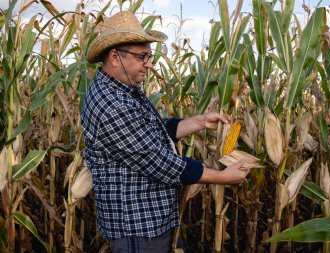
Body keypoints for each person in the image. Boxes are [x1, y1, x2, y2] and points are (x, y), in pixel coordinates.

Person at [81, 11, 249, 253]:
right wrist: (223, 177)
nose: (149, 64)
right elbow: (160, 163)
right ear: (115, 57)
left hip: (152, 220)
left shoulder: (124, 89)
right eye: (142, 57)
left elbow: (151, 131)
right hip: (138, 227)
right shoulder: (113, 104)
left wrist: (198, 121)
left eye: (149, 56)